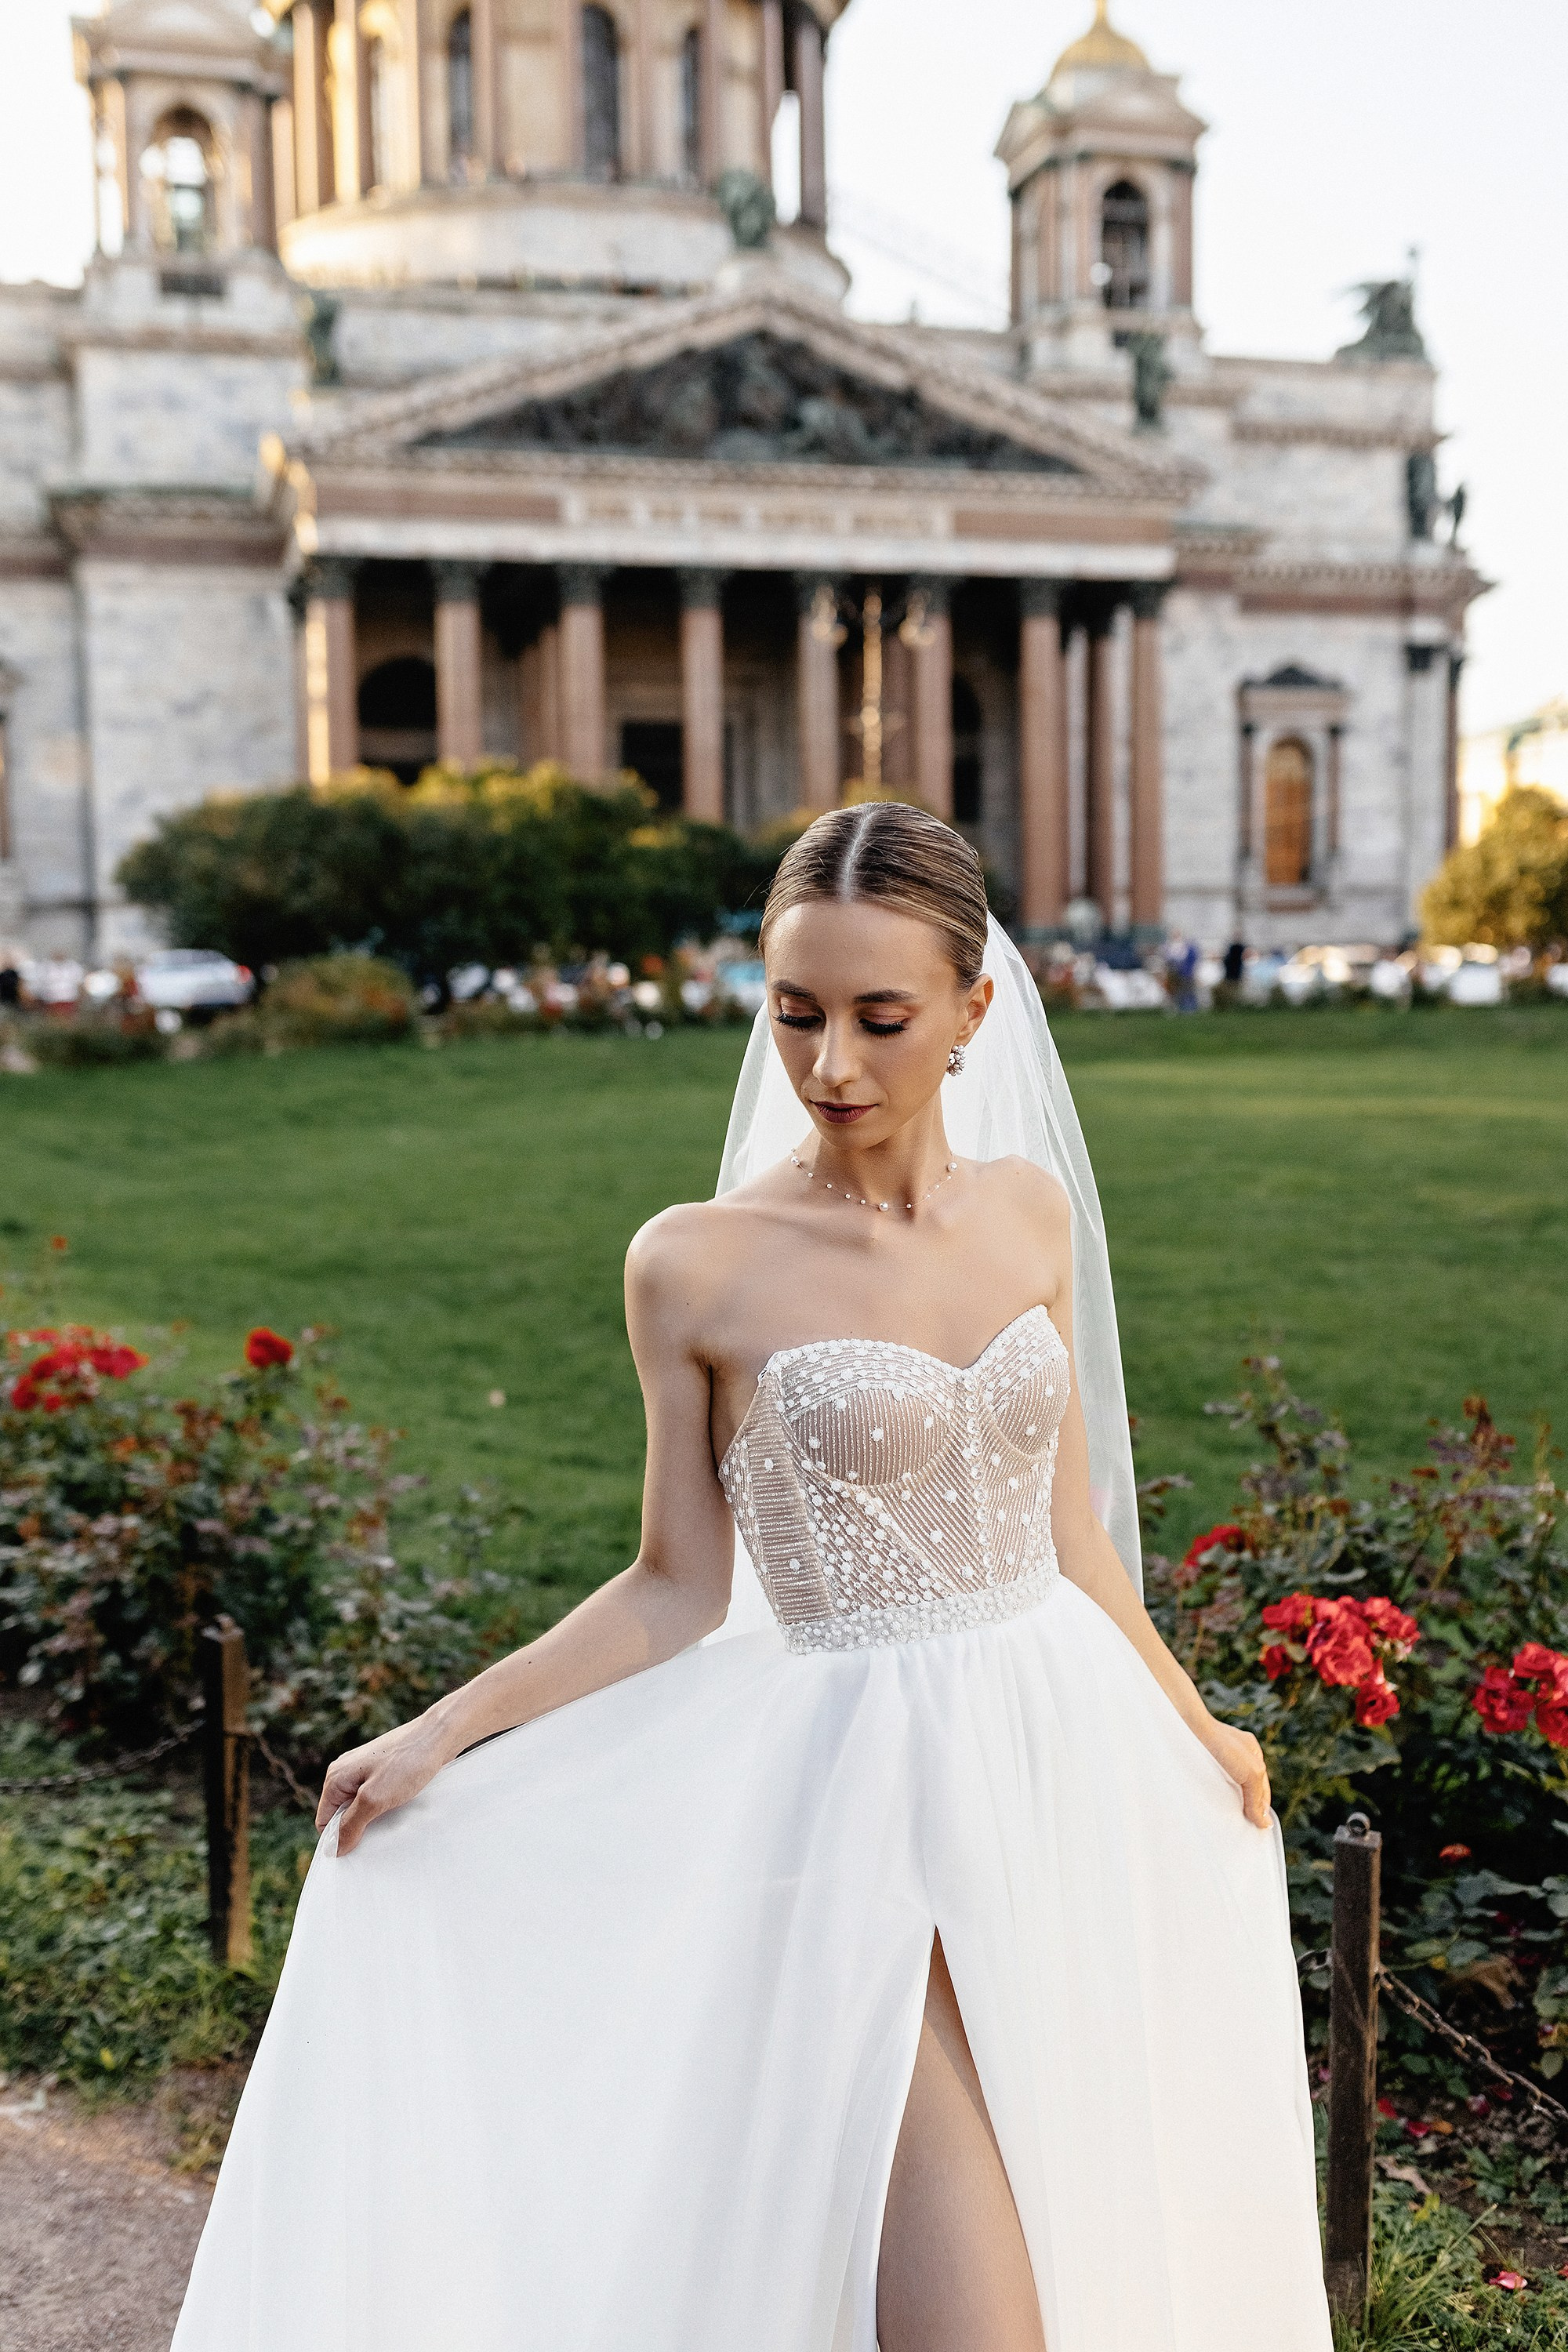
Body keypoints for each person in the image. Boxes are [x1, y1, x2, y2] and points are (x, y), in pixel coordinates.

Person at [171, 804, 1332, 2352]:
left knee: (1088, 2220)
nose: (831, 1066)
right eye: (794, 1015)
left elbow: (1075, 1545)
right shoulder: (696, 1263)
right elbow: (670, 1584)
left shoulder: (1031, 1214)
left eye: (879, 1018)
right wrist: (443, 1731)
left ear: (976, 1012)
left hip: (1055, 1759)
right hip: (853, 1802)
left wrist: (1199, 1730)